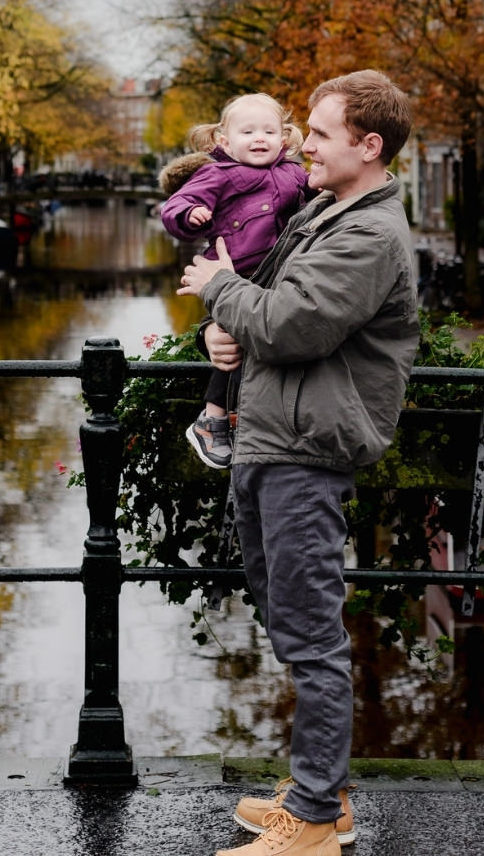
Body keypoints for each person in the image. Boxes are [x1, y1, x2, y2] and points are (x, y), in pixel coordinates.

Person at [178, 69, 419, 856]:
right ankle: (326, 791)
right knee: (286, 616)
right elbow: (265, 307)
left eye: (316, 133)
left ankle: (314, 820)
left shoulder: (371, 233)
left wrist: (221, 293)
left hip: (308, 449)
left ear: (368, 144)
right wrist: (227, 327)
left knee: (311, 636)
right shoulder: (325, 209)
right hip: (271, 434)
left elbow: (292, 324)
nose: (298, 144)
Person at [160, 92, 311, 468]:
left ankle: (240, 418)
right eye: (248, 132)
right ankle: (211, 419)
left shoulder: (293, 172)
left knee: (259, 340)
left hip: (275, 274)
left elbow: (313, 198)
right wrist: (191, 212)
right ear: (224, 141)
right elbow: (174, 206)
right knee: (231, 344)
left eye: (268, 131)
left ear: (284, 138)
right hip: (234, 271)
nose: (259, 138)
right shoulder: (217, 173)